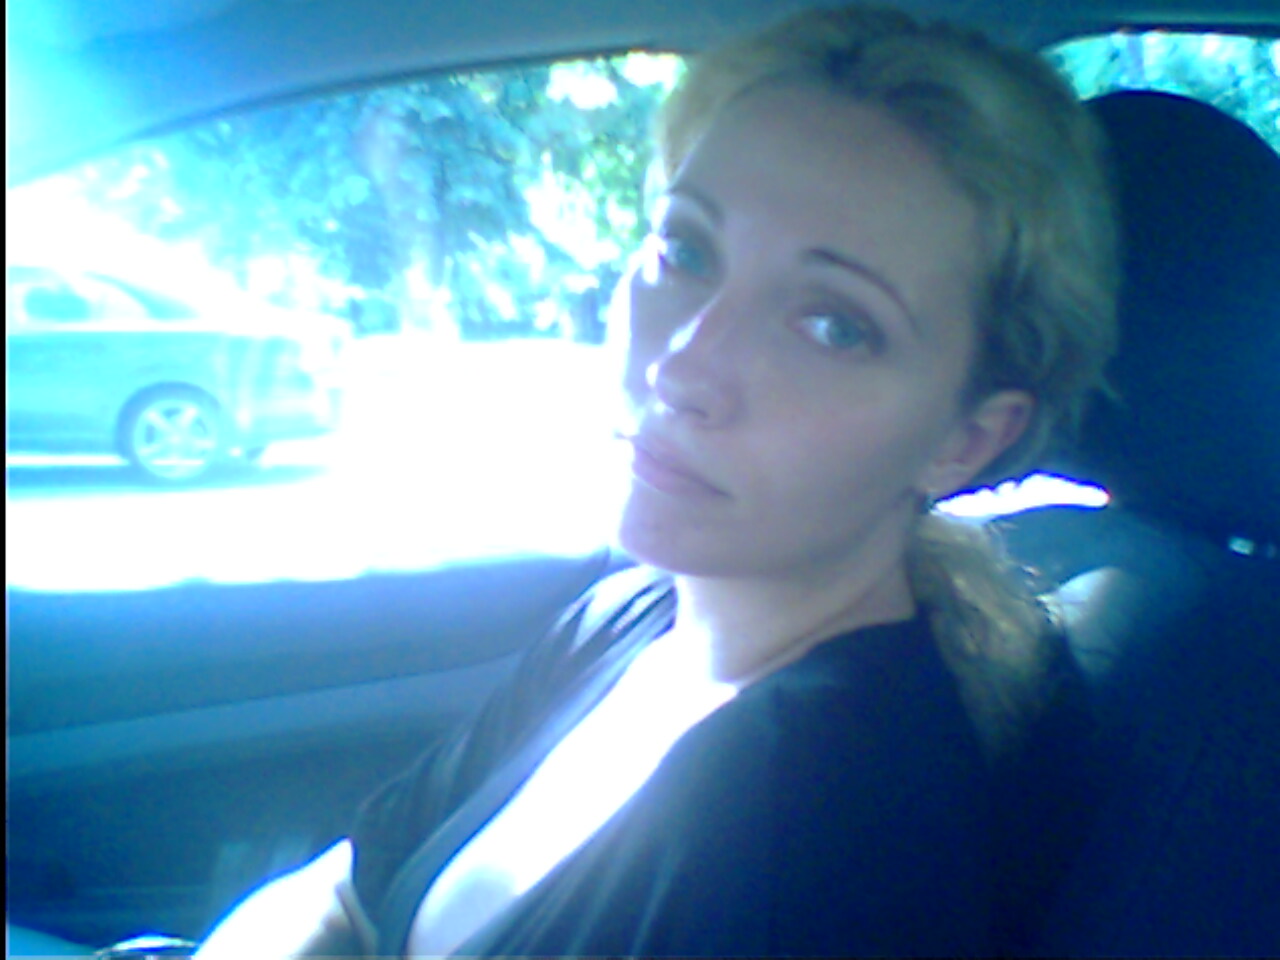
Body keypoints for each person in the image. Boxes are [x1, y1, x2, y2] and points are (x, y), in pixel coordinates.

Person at [194, 3, 1117, 956]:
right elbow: (352, 885)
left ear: (965, 440)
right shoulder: (632, 615)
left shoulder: (831, 843)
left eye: (834, 325)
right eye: (686, 251)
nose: (682, 367)